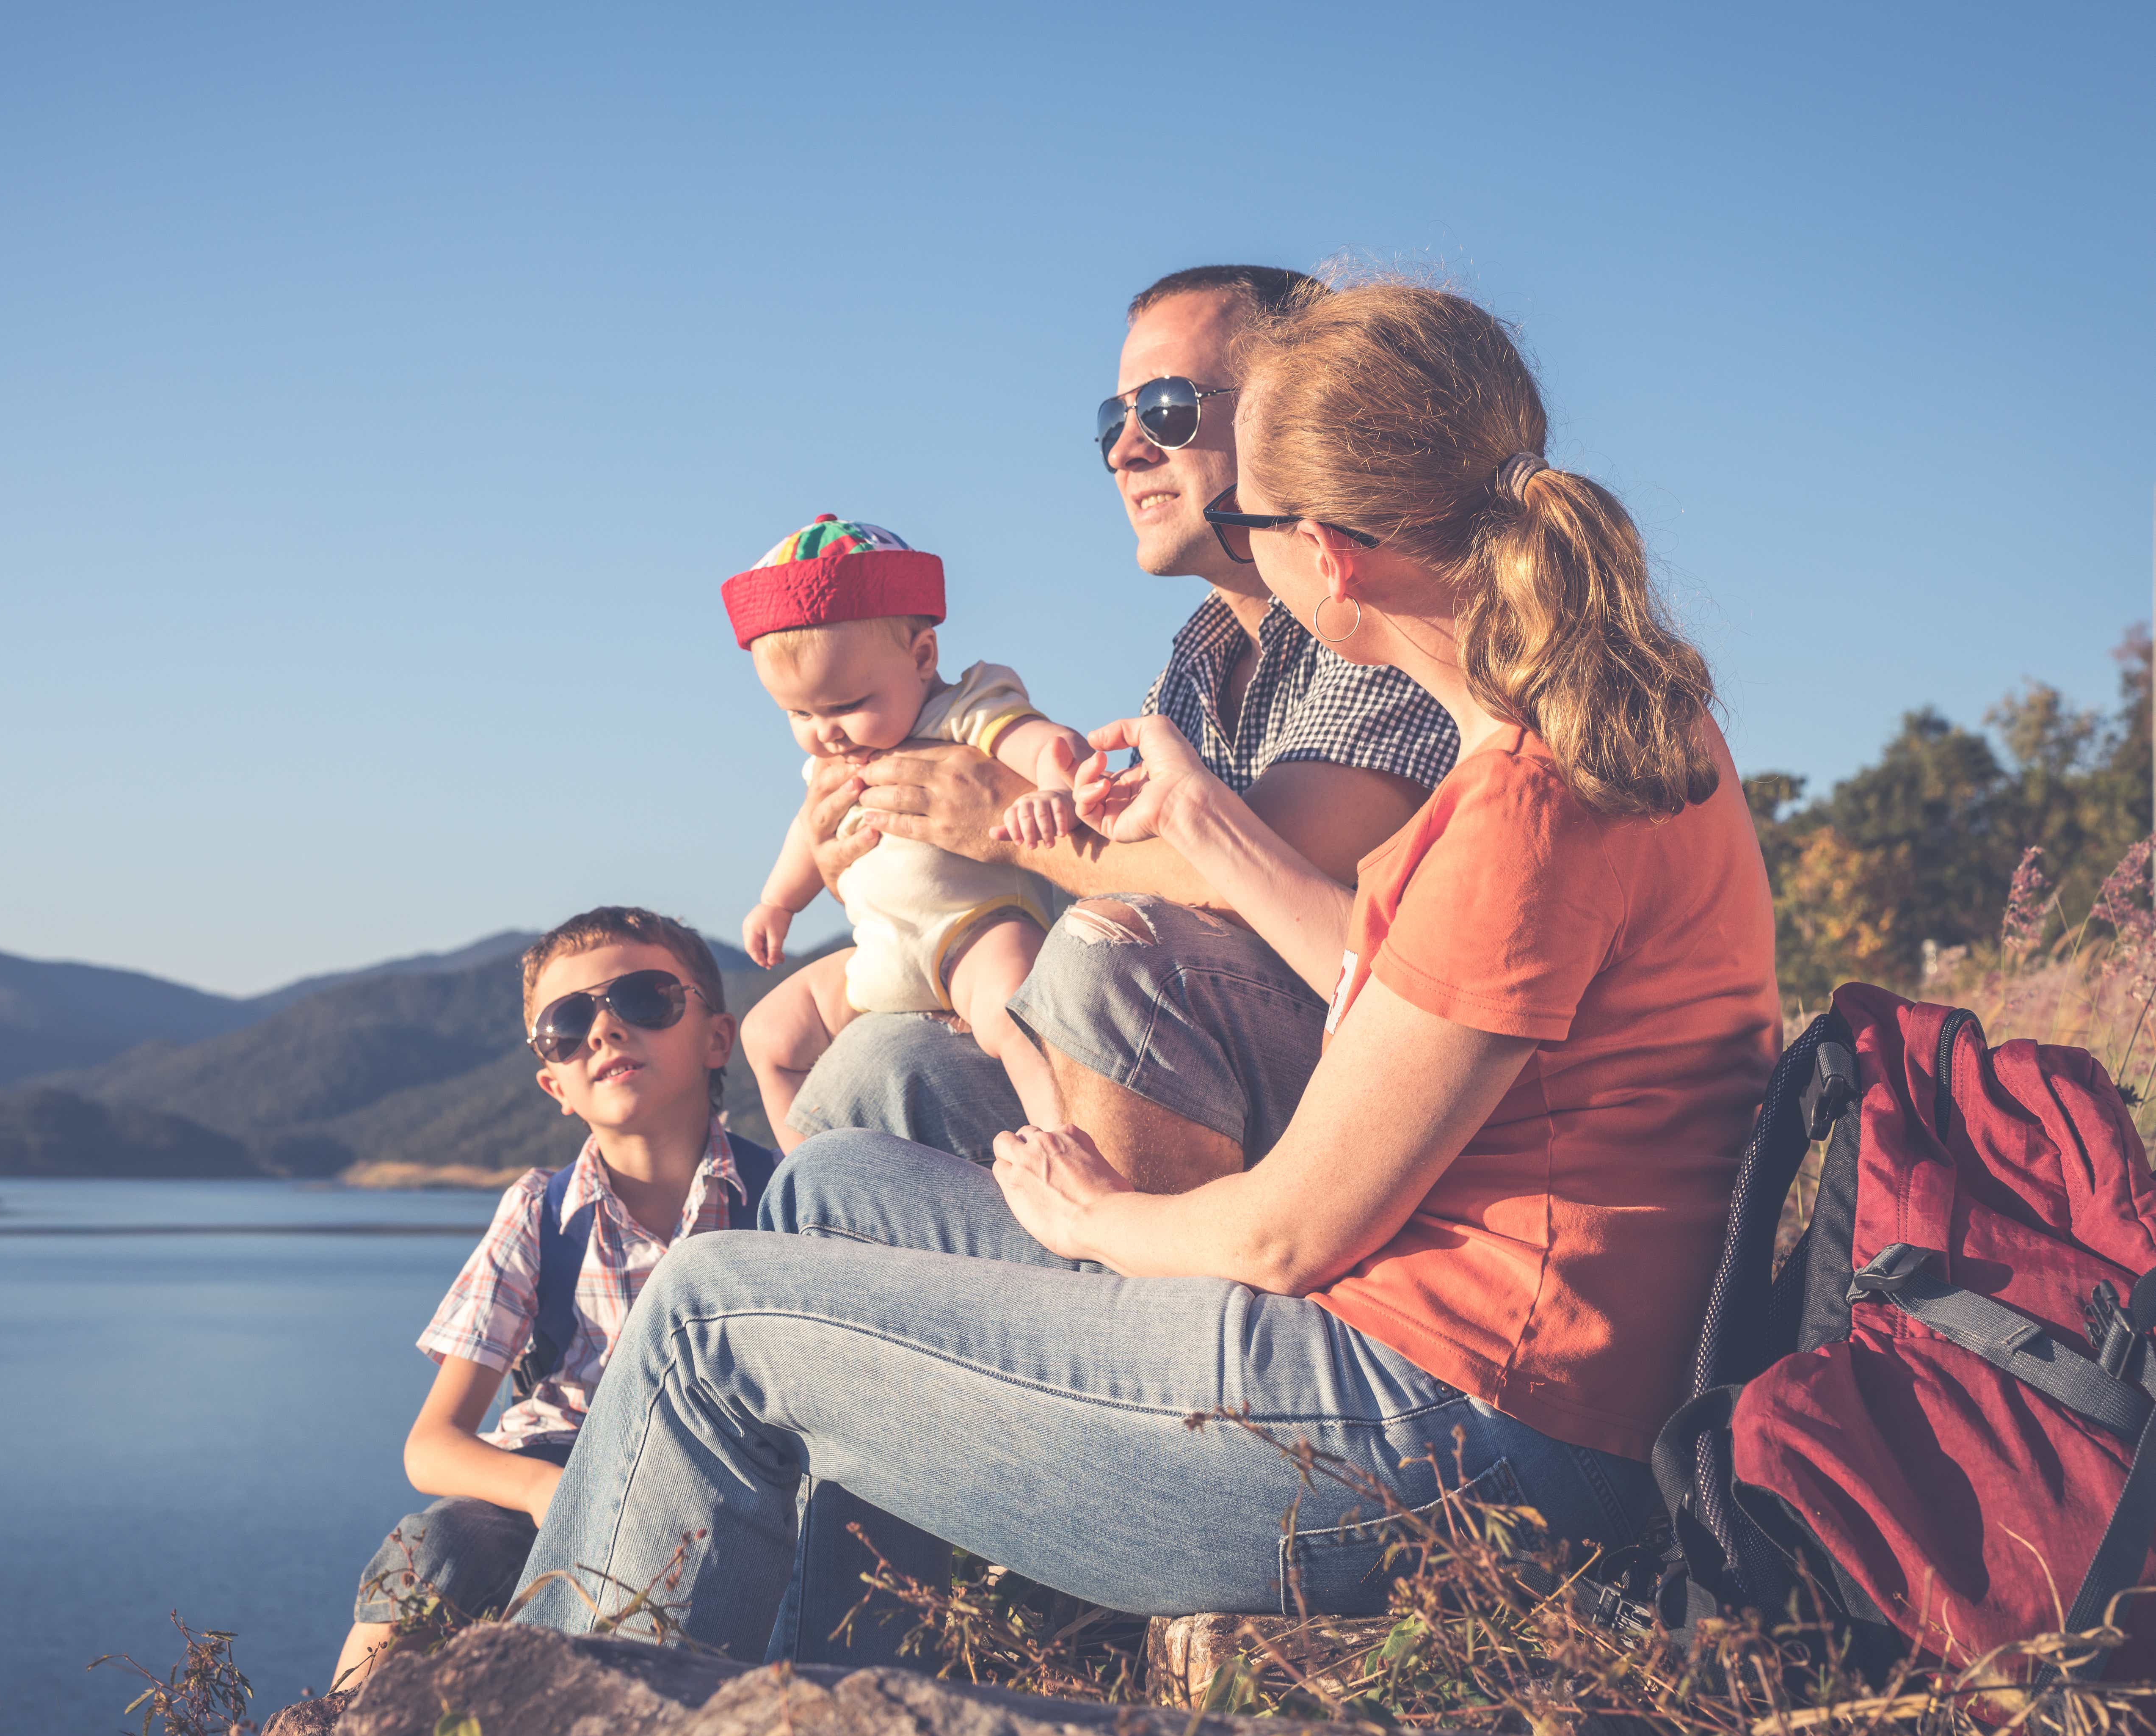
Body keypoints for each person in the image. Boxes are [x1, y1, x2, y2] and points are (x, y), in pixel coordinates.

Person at [506, 278, 1781, 1662]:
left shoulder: (1529, 800)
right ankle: (848, 1687)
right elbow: (1387, 985)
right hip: (1447, 1369)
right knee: (829, 1188)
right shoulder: (1559, 743)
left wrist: (1096, 1220)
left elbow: (1285, 1234)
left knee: (704, 1315)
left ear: (1328, 560)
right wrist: (1203, 815)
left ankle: (551, 1701)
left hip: (1465, 1424)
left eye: (1256, 524)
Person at [783, 265, 1458, 1186]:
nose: (1124, 451)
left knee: (1114, 949)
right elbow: (1124, 868)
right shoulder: (1195, 657)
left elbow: (1249, 873)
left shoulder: (1391, 621)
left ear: (1295, 414)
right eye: (1113, 423)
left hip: (1373, 1095)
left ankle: (1133, 1284)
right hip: (1228, 1069)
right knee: (873, 1076)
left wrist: (1000, 821)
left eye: (1169, 409)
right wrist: (869, 858)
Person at [325, 906, 753, 1693]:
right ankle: (333, 1729)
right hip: (553, 1472)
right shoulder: (539, 1216)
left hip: (725, 1477)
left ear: (717, 1037)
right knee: (439, 1548)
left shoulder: (779, 1198)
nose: (604, 1030)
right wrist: (547, 1492)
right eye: (567, 1023)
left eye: (644, 999)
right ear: (555, 1083)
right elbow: (432, 1445)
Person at [731, 515, 1092, 1149]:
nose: (826, 731)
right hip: (881, 956)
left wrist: (1056, 789)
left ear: (922, 656)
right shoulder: (831, 762)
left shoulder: (960, 710)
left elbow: (1048, 743)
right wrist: (777, 901)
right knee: (768, 1037)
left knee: (1017, 1012)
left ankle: (1067, 1143)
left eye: (845, 704)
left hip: (975, 930)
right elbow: (804, 835)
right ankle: (812, 1176)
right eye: (799, 713)